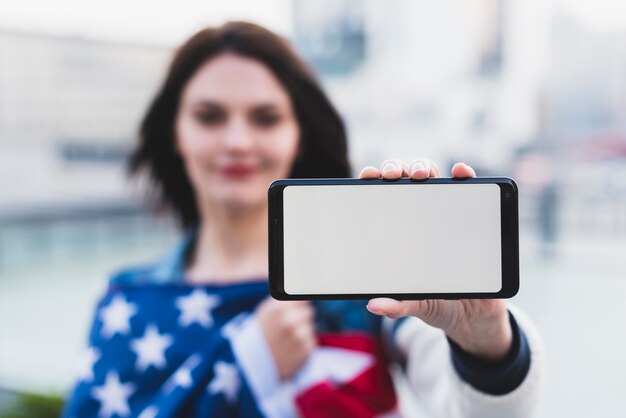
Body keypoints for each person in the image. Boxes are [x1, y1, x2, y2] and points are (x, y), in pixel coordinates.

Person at [62, 21, 544, 418]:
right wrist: (248, 363)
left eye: (266, 118)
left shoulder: (363, 288)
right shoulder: (126, 302)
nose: (237, 141)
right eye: (209, 116)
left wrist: (484, 344)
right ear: (176, 133)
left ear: (299, 135)